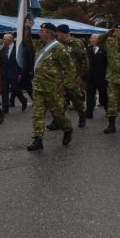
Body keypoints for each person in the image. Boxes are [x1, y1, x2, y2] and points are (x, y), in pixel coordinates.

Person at [25, 21, 74, 150]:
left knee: (58, 113)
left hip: (53, 88)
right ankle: (37, 140)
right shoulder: (40, 45)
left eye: (42, 31)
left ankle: (67, 129)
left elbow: (69, 69)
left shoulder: (59, 48)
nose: (40, 33)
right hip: (39, 86)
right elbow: (27, 43)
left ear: (48, 33)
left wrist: (64, 85)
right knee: (37, 114)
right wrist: (27, 29)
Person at [0, 33, 27, 113]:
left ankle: (23, 100)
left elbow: (21, 63)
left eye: (4, 39)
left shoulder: (18, 49)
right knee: (4, 90)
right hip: (5, 73)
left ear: (10, 40)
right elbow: (1, 61)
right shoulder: (2, 49)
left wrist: (20, 73)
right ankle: (5, 107)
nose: (3, 40)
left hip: (14, 72)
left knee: (15, 89)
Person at [85, 33, 107, 118]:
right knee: (90, 96)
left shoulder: (104, 50)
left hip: (102, 77)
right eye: (90, 38)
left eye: (93, 39)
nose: (91, 40)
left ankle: (109, 111)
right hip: (91, 78)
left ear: (98, 40)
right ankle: (89, 113)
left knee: (104, 96)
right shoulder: (88, 49)